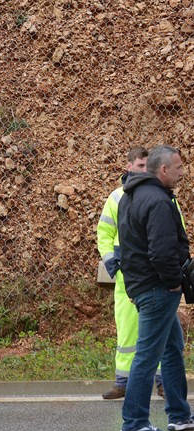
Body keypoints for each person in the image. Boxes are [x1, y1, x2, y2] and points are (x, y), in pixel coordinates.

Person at [117, 144, 194, 431]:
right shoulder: (159, 201)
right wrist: (174, 282)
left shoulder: (130, 195)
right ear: (163, 170)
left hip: (142, 286)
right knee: (148, 356)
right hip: (157, 289)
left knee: (172, 348)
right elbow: (161, 252)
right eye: (178, 168)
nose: (182, 173)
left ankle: (179, 414)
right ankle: (134, 422)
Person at [97, 147, 164, 400]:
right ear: (128, 167)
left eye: (148, 166)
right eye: (139, 165)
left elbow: (175, 232)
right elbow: (103, 233)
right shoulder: (116, 198)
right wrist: (113, 265)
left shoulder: (162, 195)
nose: (144, 170)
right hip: (127, 276)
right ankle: (123, 383)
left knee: (159, 330)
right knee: (127, 331)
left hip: (155, 274)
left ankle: (162, 383)